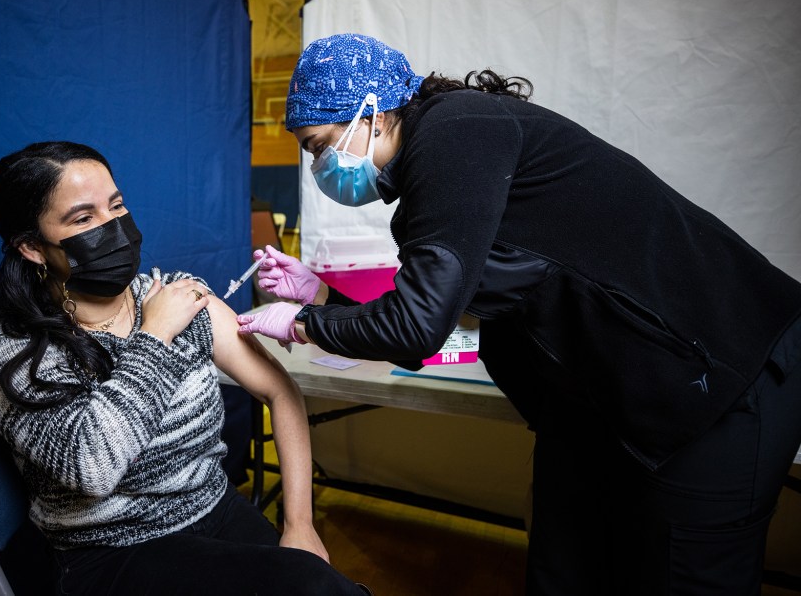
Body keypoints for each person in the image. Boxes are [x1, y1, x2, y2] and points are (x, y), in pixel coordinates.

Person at [237, 33, 801, 596]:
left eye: (318, 145)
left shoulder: (457, 131)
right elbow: (422, 329)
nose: (318, 166)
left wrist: (299, 324)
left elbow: (417, 323)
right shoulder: (448, 159)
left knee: (683, 576)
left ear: (373, 114)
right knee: (566, 559)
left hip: (716, 375)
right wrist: (319, 296)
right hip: (604, 402)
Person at [0, 141, 369, 595]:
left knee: (323, 582)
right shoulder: (16, 353)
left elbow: (281, 391)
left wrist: (300, 523)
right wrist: (155, 336)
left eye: (116, 205)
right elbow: (94, 469)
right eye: (83, 218)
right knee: (309, 587)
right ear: (32, 248)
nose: (113, 227)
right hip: (113, 552)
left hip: (215, 510)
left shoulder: (182, 299)